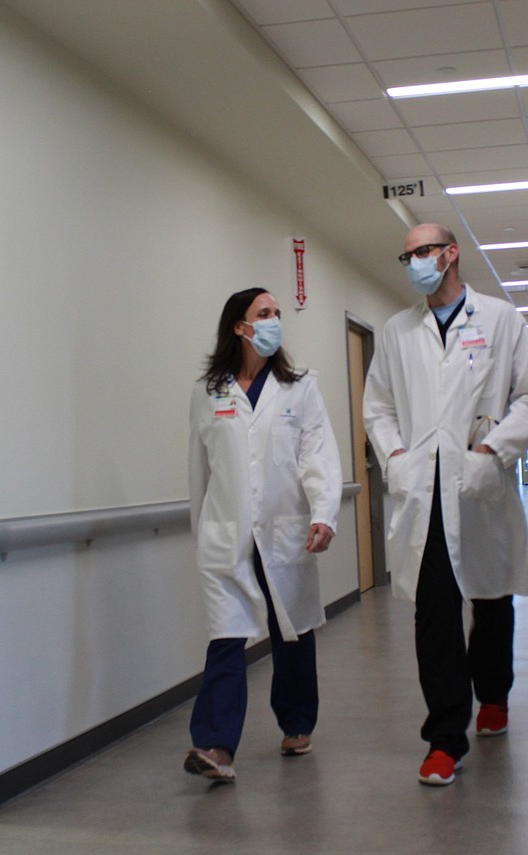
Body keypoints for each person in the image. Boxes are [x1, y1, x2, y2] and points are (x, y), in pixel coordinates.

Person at [362, 224, 528, 786]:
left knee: (491, 600)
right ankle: (445, 737)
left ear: (451, 254)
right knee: (435, 614)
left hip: (478, 483)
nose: (415, 261)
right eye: (407, 254)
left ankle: (493, 694)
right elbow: (377, 407)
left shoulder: (499, 319)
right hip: (423, 492)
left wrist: (493, 450)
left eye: (424, 250)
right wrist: (395, 458)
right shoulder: (398, 331)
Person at [184, 287, 342, 782]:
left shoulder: (300, 387)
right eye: (265, 313)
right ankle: (215, 745)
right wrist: (202, 534)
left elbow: (317, 454)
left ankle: (296, 723)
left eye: (277, 313)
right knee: (226, 638)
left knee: (290, 632)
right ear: (240, 326)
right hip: (226, 534)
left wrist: (324, 513)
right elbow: (198, 471)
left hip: (284, 529)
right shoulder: (208, 392)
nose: (275, 320)